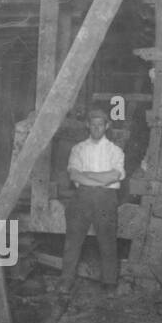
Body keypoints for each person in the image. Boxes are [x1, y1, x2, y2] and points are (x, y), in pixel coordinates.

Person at [60, 106, 126, 292]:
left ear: (107, 126)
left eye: (100, 124)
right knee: (73, 241)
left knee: (107, 242)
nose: (97, 128)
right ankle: (65, 281)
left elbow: (114, 176)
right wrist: (100, 178)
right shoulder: (78, 149)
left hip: (106, 199)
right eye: (93, 124)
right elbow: (74, 175)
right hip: (82, 198)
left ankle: (109, 283)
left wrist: (88, 175)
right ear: (87, 125)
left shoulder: (116, 151)